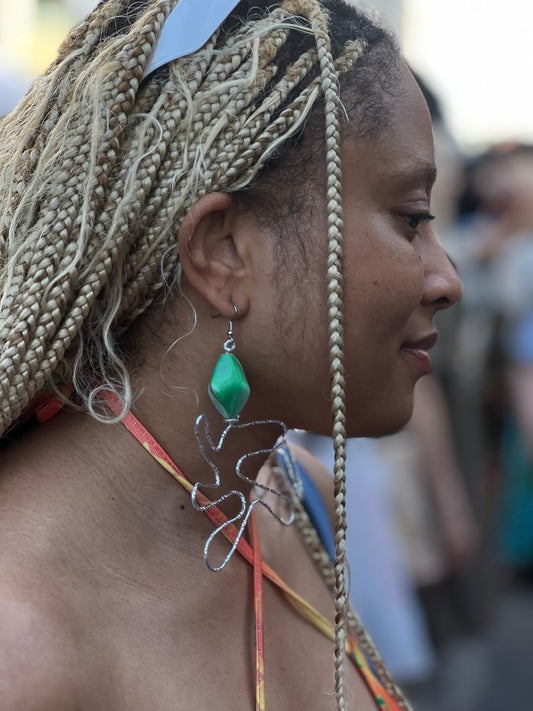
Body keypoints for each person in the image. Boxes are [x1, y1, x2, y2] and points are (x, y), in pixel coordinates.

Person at [0, 1, 461, 709]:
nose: (444, 279)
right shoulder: (23, 641)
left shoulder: (295, 495)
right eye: (411, 219)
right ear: (223, 252)